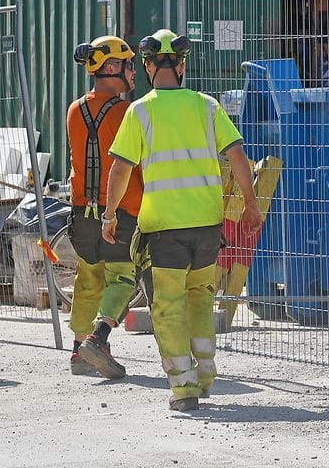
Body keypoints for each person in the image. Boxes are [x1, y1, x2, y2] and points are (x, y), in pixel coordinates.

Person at [102, 28, 261, 411]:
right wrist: (251, 205)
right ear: (183, 65)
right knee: (201, 300)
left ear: (147, 66)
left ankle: (184, 388)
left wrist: (109, 214)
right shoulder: (207, 106)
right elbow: (238, 156)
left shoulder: (140, 110)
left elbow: (121, 169)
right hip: (208, 226)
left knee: (169, 306)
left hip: (165, 231)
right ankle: (205, 375)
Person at [66, 35, 145, 379]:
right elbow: (135, 164)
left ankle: (78, 351)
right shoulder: (127, 111)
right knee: (124, 278)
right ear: (112, 67)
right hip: (119, 213)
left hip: (81, 212)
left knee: (88, 279)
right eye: (128, 65)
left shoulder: (74, 109)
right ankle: (99, 338)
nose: (132, 72)